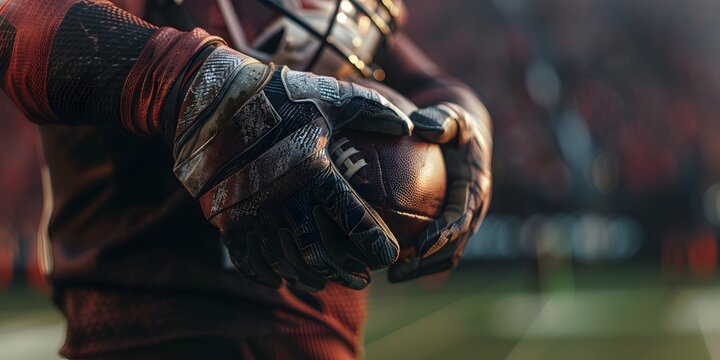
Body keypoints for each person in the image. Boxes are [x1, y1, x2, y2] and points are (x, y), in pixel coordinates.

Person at [0, 0, 492, 358]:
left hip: (325, 338)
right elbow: (13, 23)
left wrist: (468, 114)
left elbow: (422, 77)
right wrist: (192, 80)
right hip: (152, 330)